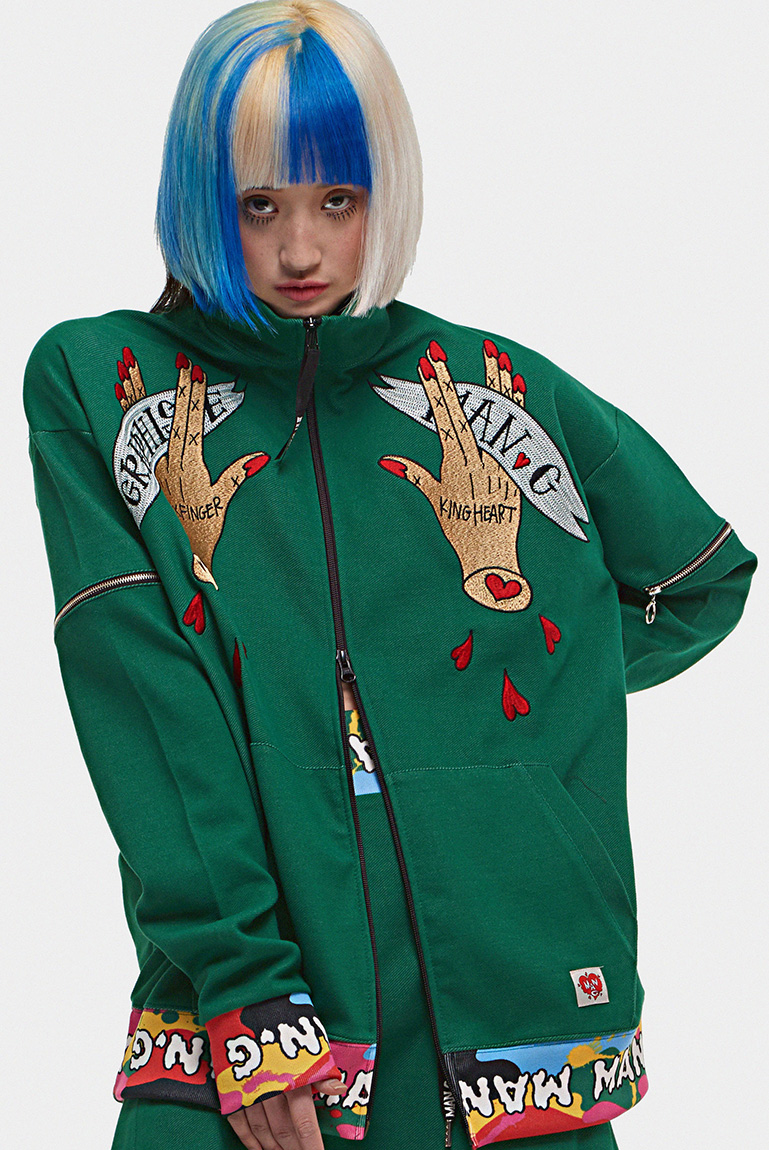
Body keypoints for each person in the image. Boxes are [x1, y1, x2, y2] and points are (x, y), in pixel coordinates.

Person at [22, 2, 757, 1149]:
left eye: (338, 200)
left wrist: (490, 710)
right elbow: (146, 699)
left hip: (511, 1002)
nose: (299, 250)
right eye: (257, 205)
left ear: (389, 191)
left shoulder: (495, 385)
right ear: (198, 199)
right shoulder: (106, 381)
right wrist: (247, 992)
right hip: (251, 1009)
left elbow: (699, 579)